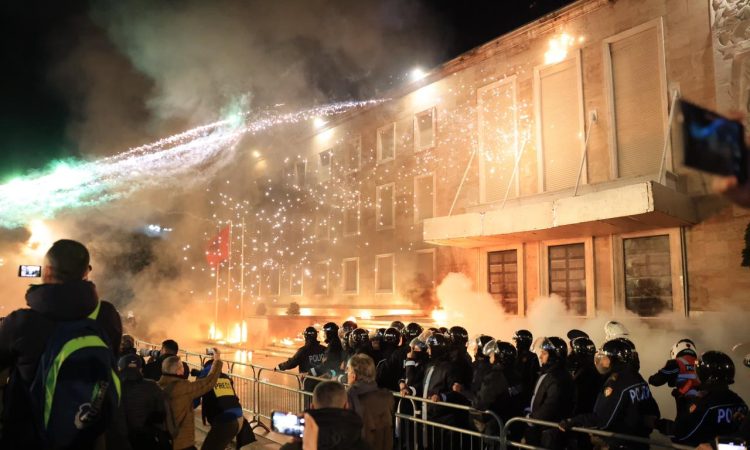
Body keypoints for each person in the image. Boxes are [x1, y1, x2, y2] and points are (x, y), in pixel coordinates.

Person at [0, 239, 123, 449]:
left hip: (29, 439)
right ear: (86, 272)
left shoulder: (22, 323)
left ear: (47, 271)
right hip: (86, 437)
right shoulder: (106, 315)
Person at [559, 339, 660, 450]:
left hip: (621, 443)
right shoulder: (637, 378)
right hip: (640, 442)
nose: (601, 362)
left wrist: (573, 421)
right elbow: (654, 413)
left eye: (605, 358)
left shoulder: (617, 382)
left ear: (614, 360)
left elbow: (602, 420)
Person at [656, 351, 747, 447]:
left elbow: (682, 434)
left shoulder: (705, 403)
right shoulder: (739, 402)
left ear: (704, 374)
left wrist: (658, 424)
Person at [159, 349, 223, 450]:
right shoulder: (183, 387)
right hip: (181, 442)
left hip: (163, 440)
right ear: (178, 371)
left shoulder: (156, 386)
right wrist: (217, 360)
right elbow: (209, 382)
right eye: (181, 366)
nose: (183, 369)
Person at [456, 340, 523, 435]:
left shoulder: (496, 376)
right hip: (513, 424)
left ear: (500, 357)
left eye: (493, 354)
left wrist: (463, 391)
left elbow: (480, 403)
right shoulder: (517, 375)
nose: (491, 356)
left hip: (496, 426)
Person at [279, 381, 372, 450]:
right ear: (346, 406)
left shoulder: (293, 447)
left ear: (312, 407)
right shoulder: (364, 446)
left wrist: (293, 445)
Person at [525, 336, 575, 449]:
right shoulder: (551, 373)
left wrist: (532, 419)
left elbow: (551, 405)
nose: (540, 356)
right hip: (544, 429)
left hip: (548, 431)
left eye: (544, 353)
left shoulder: (556, 377)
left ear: (554, 356)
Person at [195, 358, 253, 450]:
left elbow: (195, 402)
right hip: (239, 418)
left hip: (225, 421)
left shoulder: (206, 379)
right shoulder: (226, 378)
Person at [118, 354, 171, 450]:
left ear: (120, 369)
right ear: (141, 369)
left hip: (119, 439)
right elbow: (161, 415)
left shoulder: (113, 387)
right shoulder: (152, 385)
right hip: (147, 438)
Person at [345, 354, 393, 450]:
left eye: (348, 370)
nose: (346, 373)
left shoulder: (350, 397)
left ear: (354, 375)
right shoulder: (386, 396)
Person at [649, 338, 700, 414]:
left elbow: (656, 381)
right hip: (704, 403)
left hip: (687, 405)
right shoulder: (700, 362)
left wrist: (650, 379)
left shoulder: (675, 363)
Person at [512, 329, 540, 411]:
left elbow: (530, 379)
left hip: (524, 395)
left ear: (523, 342)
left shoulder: (531, 357)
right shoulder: (516, 355)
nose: (516, 344)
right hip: (515, 393)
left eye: (517, 341)